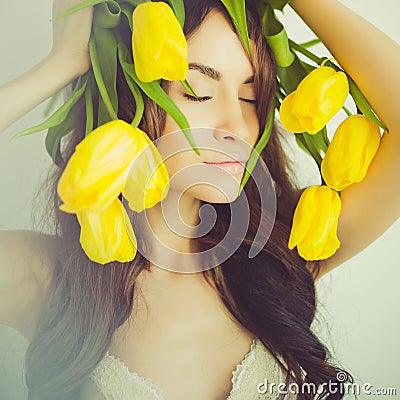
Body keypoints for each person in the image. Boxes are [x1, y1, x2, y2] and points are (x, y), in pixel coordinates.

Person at [0, 0, 399, 399]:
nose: (237, 126)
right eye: (198, 92)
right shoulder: (49, 278)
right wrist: (61, 64)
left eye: (251, 97)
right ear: (128, 102)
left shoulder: (279, 253)